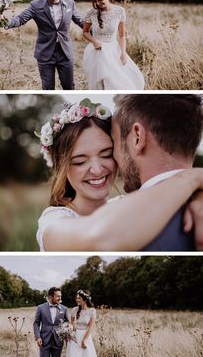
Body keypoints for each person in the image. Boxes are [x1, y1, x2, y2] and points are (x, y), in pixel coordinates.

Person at [35, 95, 203, 251]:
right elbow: (97, 236)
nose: (97, 170)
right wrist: (190, 177)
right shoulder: (53, 221)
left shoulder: (137, 200)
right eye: (80, 161)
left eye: (107, 153)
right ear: (62, 168)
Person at [6, 0, 83, 89]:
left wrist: (97, 30)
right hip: (45, 52)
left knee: (69, 87)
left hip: (65, 52)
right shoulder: (35, 5)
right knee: (47, 88)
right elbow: (20, 19)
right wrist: (5, 22)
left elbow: (81, 21)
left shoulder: (70, 3)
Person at [82, 0, 144, 90]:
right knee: (100, 83)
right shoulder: (91, 12)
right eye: (95, 1)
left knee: (117, 81)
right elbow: (85, 32)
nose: (97, 3)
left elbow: (121, 35)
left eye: (100, 0)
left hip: (113, 50)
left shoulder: (119, 11)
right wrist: (95, 41)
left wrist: (123, 53)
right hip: (97, 51)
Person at [64, 289, 102, 357]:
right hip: (74, 338)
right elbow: (72, 324)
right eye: (76, 298)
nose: (77, 300)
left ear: (85, 299)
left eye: (79, 298)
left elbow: (90, 327)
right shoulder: (75, 310)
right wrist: (67, 330)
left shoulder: (92, 311)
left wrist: (84, 340)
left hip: (85, 337)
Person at [33, 287, 69, 357]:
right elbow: (36, 323)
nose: (59, 298)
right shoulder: (41, 308)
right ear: (50, 297)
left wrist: (66, 332)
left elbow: (67, 323)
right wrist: (38, 337)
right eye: (57, 296)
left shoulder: (64, 308)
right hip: (44, 339)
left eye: (60, 296)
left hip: (58, 340)